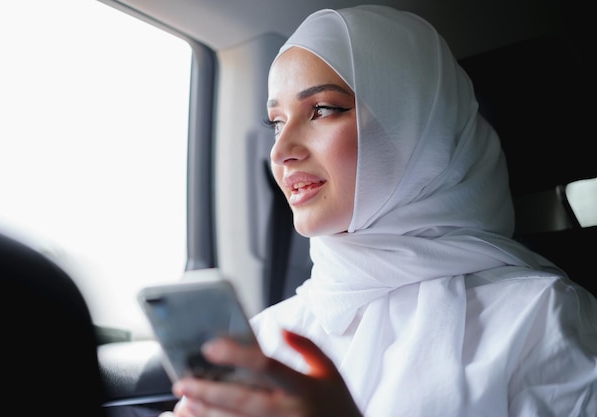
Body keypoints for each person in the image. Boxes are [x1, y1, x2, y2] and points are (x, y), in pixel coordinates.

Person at [162, 4, 597, 416]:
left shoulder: (541, 315)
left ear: (415, 127)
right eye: (276, 122)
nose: (281, 150)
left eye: (322, 110)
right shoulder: (266, 337)